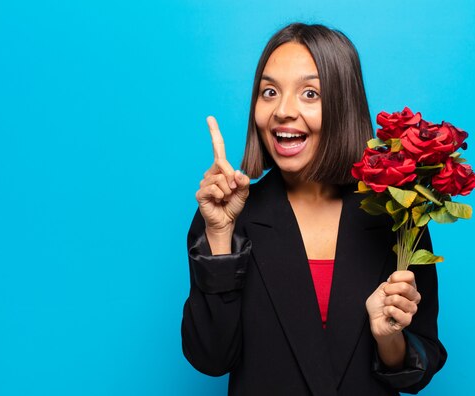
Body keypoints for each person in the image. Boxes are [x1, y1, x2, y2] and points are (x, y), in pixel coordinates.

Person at [182, 23, 447, 395]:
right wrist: (220, 236)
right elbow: (210, 358)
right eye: (269, 92)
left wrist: (389, 338)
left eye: (310, 93)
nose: (283, 111)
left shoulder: (398, 215)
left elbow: (420, 364)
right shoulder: (225, 218)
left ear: (343, 105)